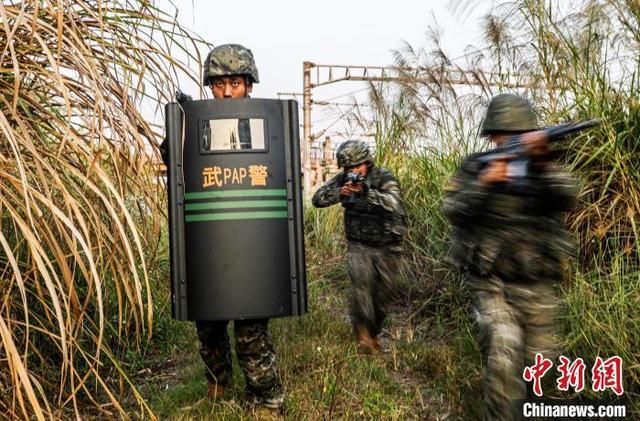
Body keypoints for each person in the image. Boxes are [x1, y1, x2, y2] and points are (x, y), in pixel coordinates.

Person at [164, 44, 284, 409]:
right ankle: (218, 386)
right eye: (219, 84)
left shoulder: (264, 123)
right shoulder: (197, 123)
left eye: (234, 82)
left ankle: (267, 399)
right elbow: (173, 157)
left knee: (251, 333)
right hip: (210, 244)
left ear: (249, 85)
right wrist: (181, 124)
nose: (227, 91)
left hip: (250, 247)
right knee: (209, 326)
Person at [443, 94, 577, 420]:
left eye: (522, 133)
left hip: (537, 283)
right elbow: (452, 209)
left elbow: (569, 196)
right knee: (503, 356)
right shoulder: (476, 167)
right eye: (506, 133)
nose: (514, 138)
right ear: (493, 136)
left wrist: (543, 165)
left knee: (543, 367)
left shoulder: (545, 167)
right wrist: (485, 183)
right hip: (492, 283)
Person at [311, 140, 406, 352]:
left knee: (383, 296)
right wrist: (340, 194)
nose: (352, 172)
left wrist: (365, 192)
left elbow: (393, 203)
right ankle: (363, 336)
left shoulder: (383, 176)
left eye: (356, 167)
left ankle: (372, 332)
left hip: (387, 245)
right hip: (359, 244)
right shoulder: (343, 179)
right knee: (361, 289)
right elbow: (317, 199)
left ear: (367, 163)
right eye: (348, 168)